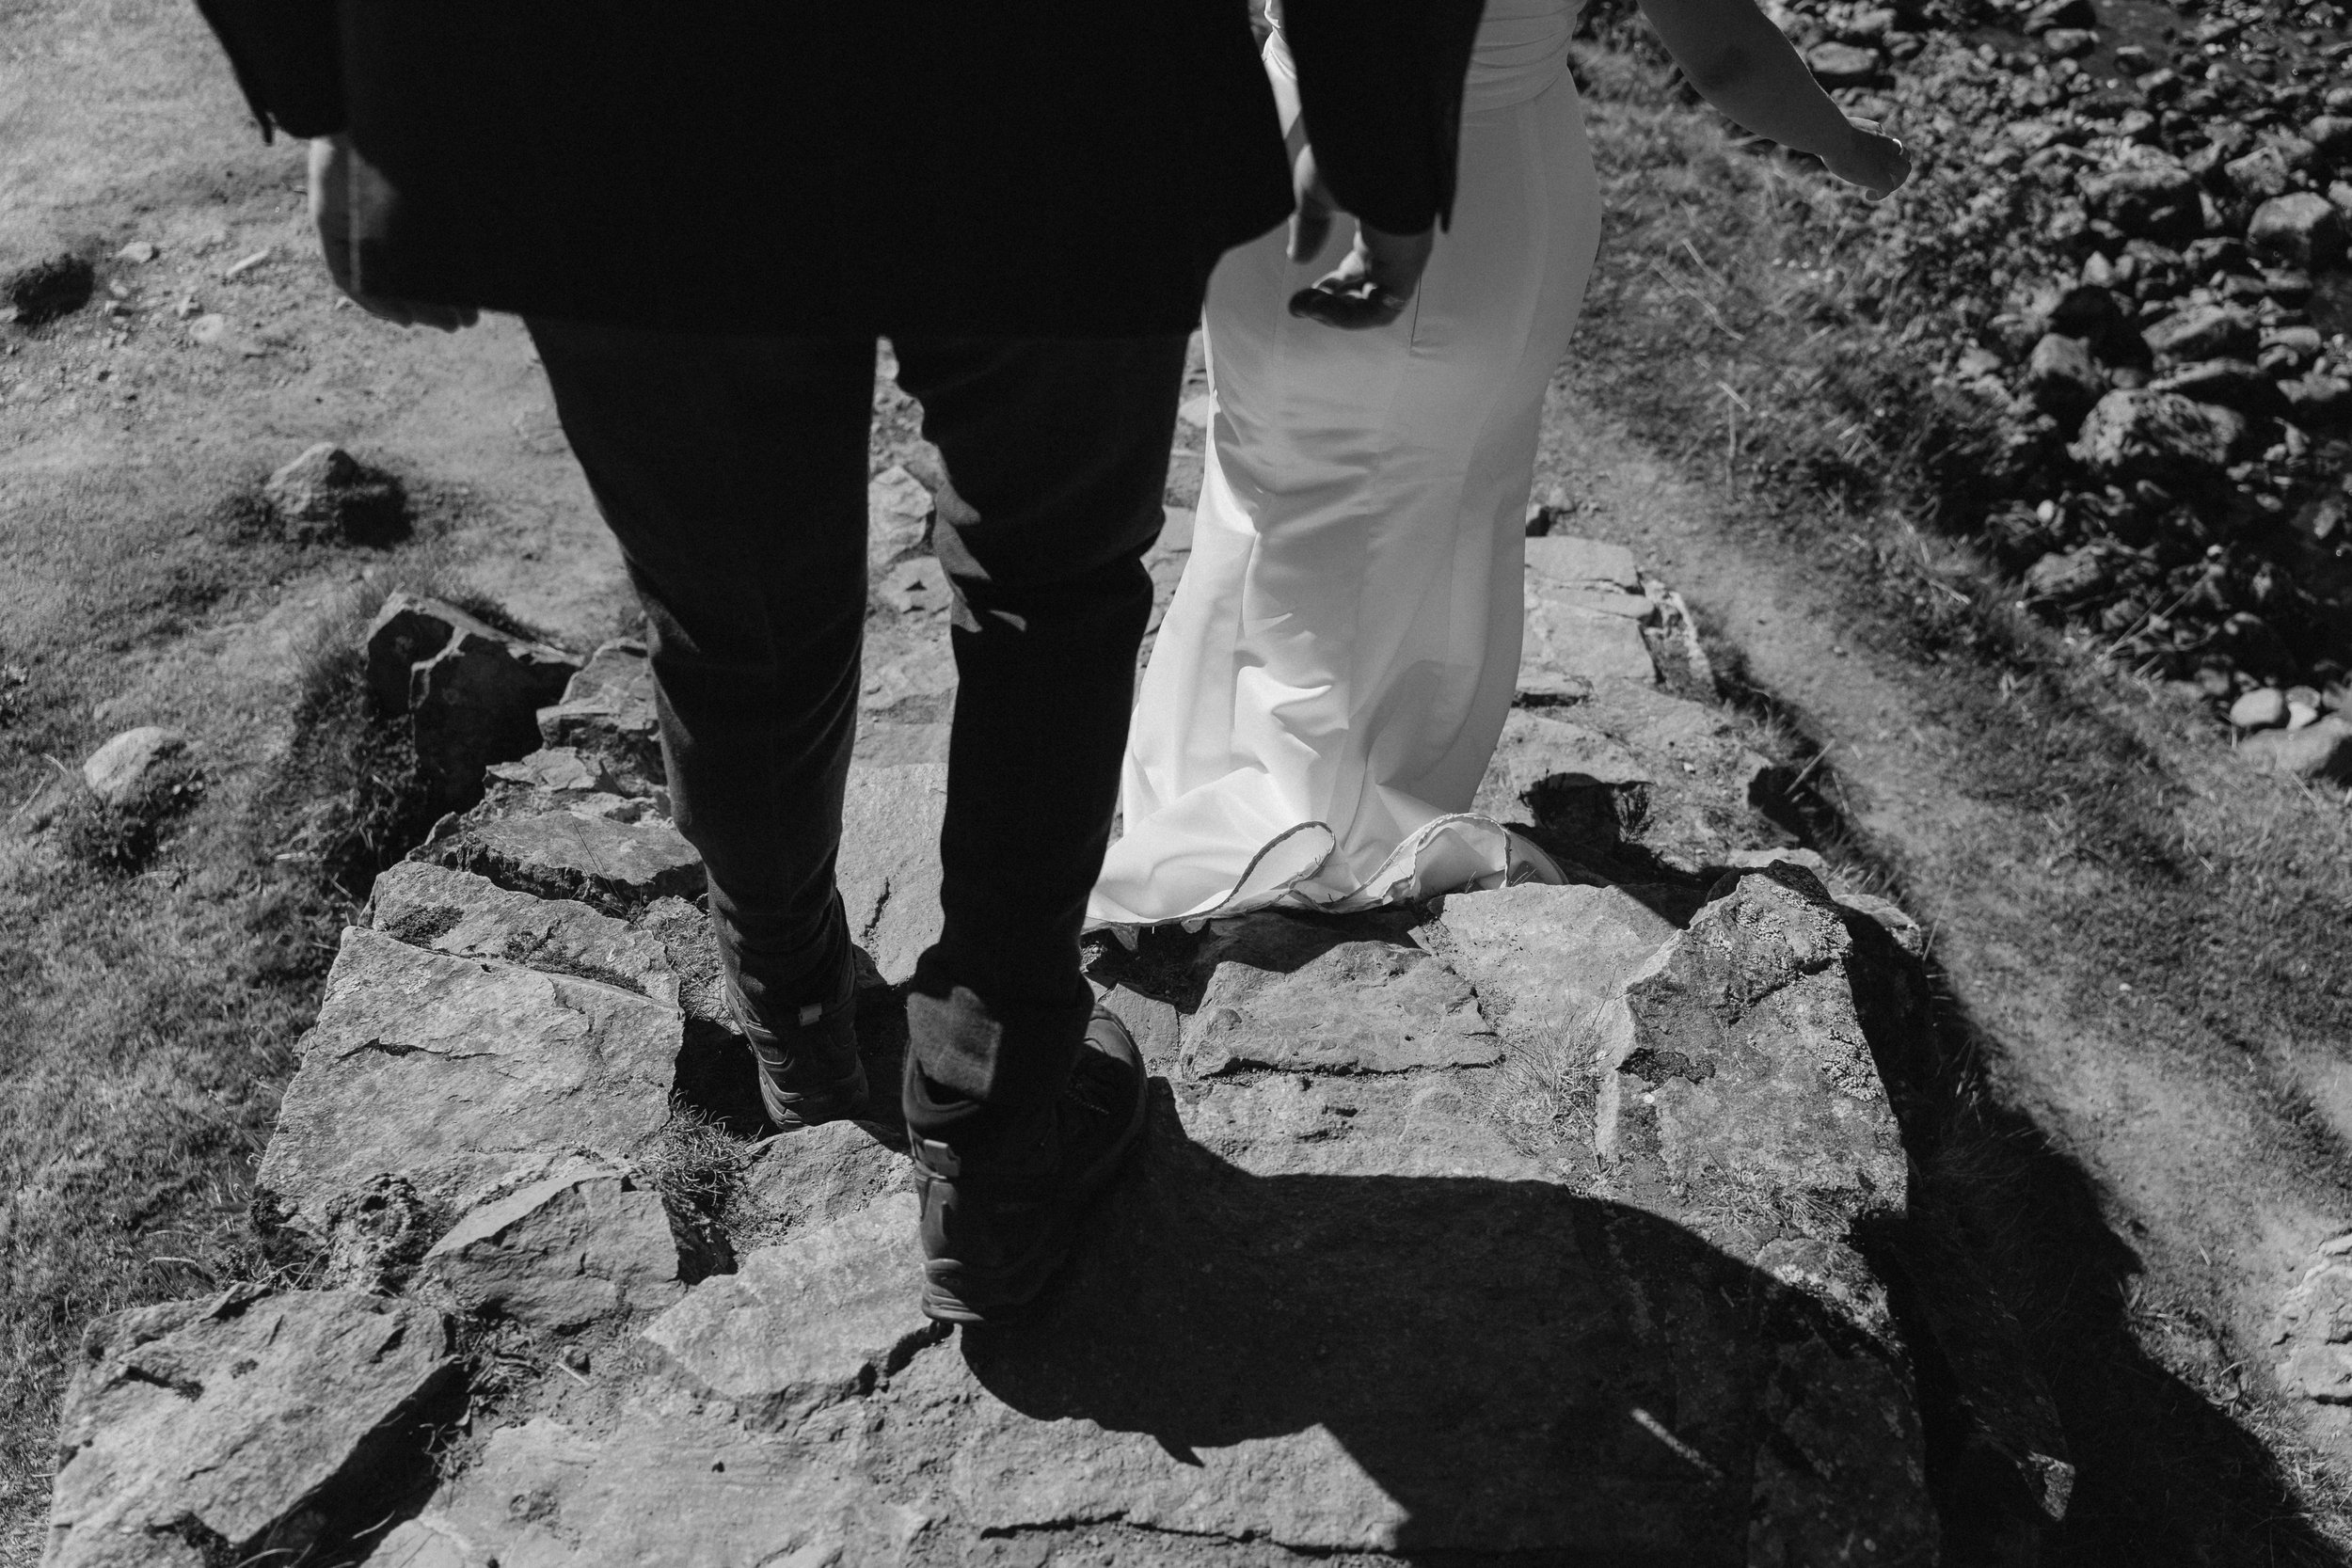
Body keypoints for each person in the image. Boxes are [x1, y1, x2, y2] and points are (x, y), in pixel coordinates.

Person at [190, 0, 1486, 1323]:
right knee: (1049, 594)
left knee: (734, 610)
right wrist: (1379, 128)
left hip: (606, 82)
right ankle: (992, 1136)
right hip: (1061, 75)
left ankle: (795, 1011)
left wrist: (337, 91)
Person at [1089, 0, 1911, 928]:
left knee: (1267, 482)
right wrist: (1840, 143)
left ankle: (1234, 782)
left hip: (1290, 158)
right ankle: (1345, 794)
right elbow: (1723, 55)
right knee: (1444, 490)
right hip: (1497, 190)